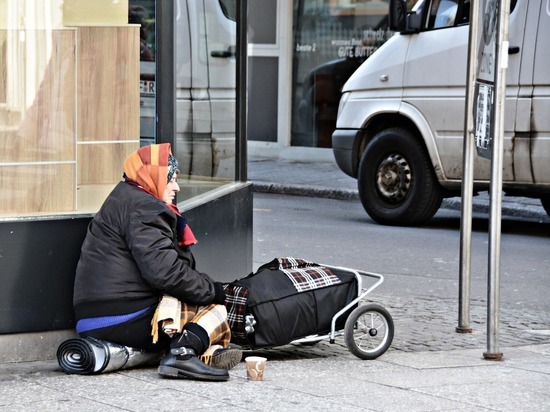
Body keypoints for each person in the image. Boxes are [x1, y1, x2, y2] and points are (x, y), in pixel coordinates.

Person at [73, 143, 241, 381]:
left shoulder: (126, 197)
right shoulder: (144, 207)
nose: (176, 187)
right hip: (120, 317)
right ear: (153, 177)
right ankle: (183, 355)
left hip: (99, 315)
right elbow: (166, 273)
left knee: (194, 304)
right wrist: (213, 290)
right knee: (215, 309)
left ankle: (206, 352)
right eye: (170, 179)